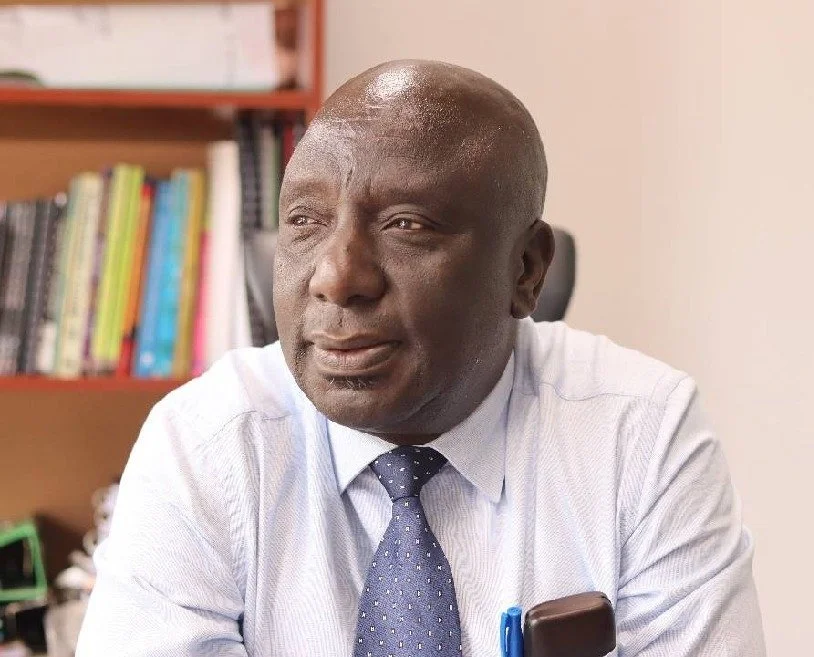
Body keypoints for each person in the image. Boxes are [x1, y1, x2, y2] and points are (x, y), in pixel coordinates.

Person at [76, 60, 765, 656]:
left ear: (525, 269)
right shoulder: (205, 444)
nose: (336, 275)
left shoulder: (640, 433)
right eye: (306, 221)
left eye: (407, 224)